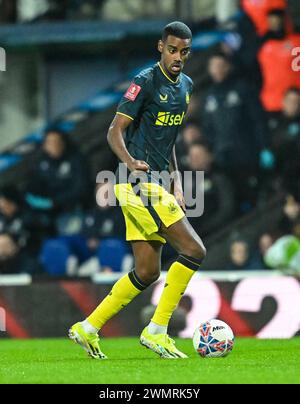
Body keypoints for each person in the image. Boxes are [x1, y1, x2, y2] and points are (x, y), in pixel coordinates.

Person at [69, 21, 206, 359]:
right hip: (138, 181)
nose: (177, 57)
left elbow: (168, 139)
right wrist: (130, 161)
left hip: (159, 181)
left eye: (184, 52)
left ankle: (87, 327)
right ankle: (157, 331)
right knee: (194, 250)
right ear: (161, 47)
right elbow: (114, 130)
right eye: (172, 49)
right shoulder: (144, 82)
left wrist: (175, 179)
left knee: (147, 270)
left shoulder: (185, 86)